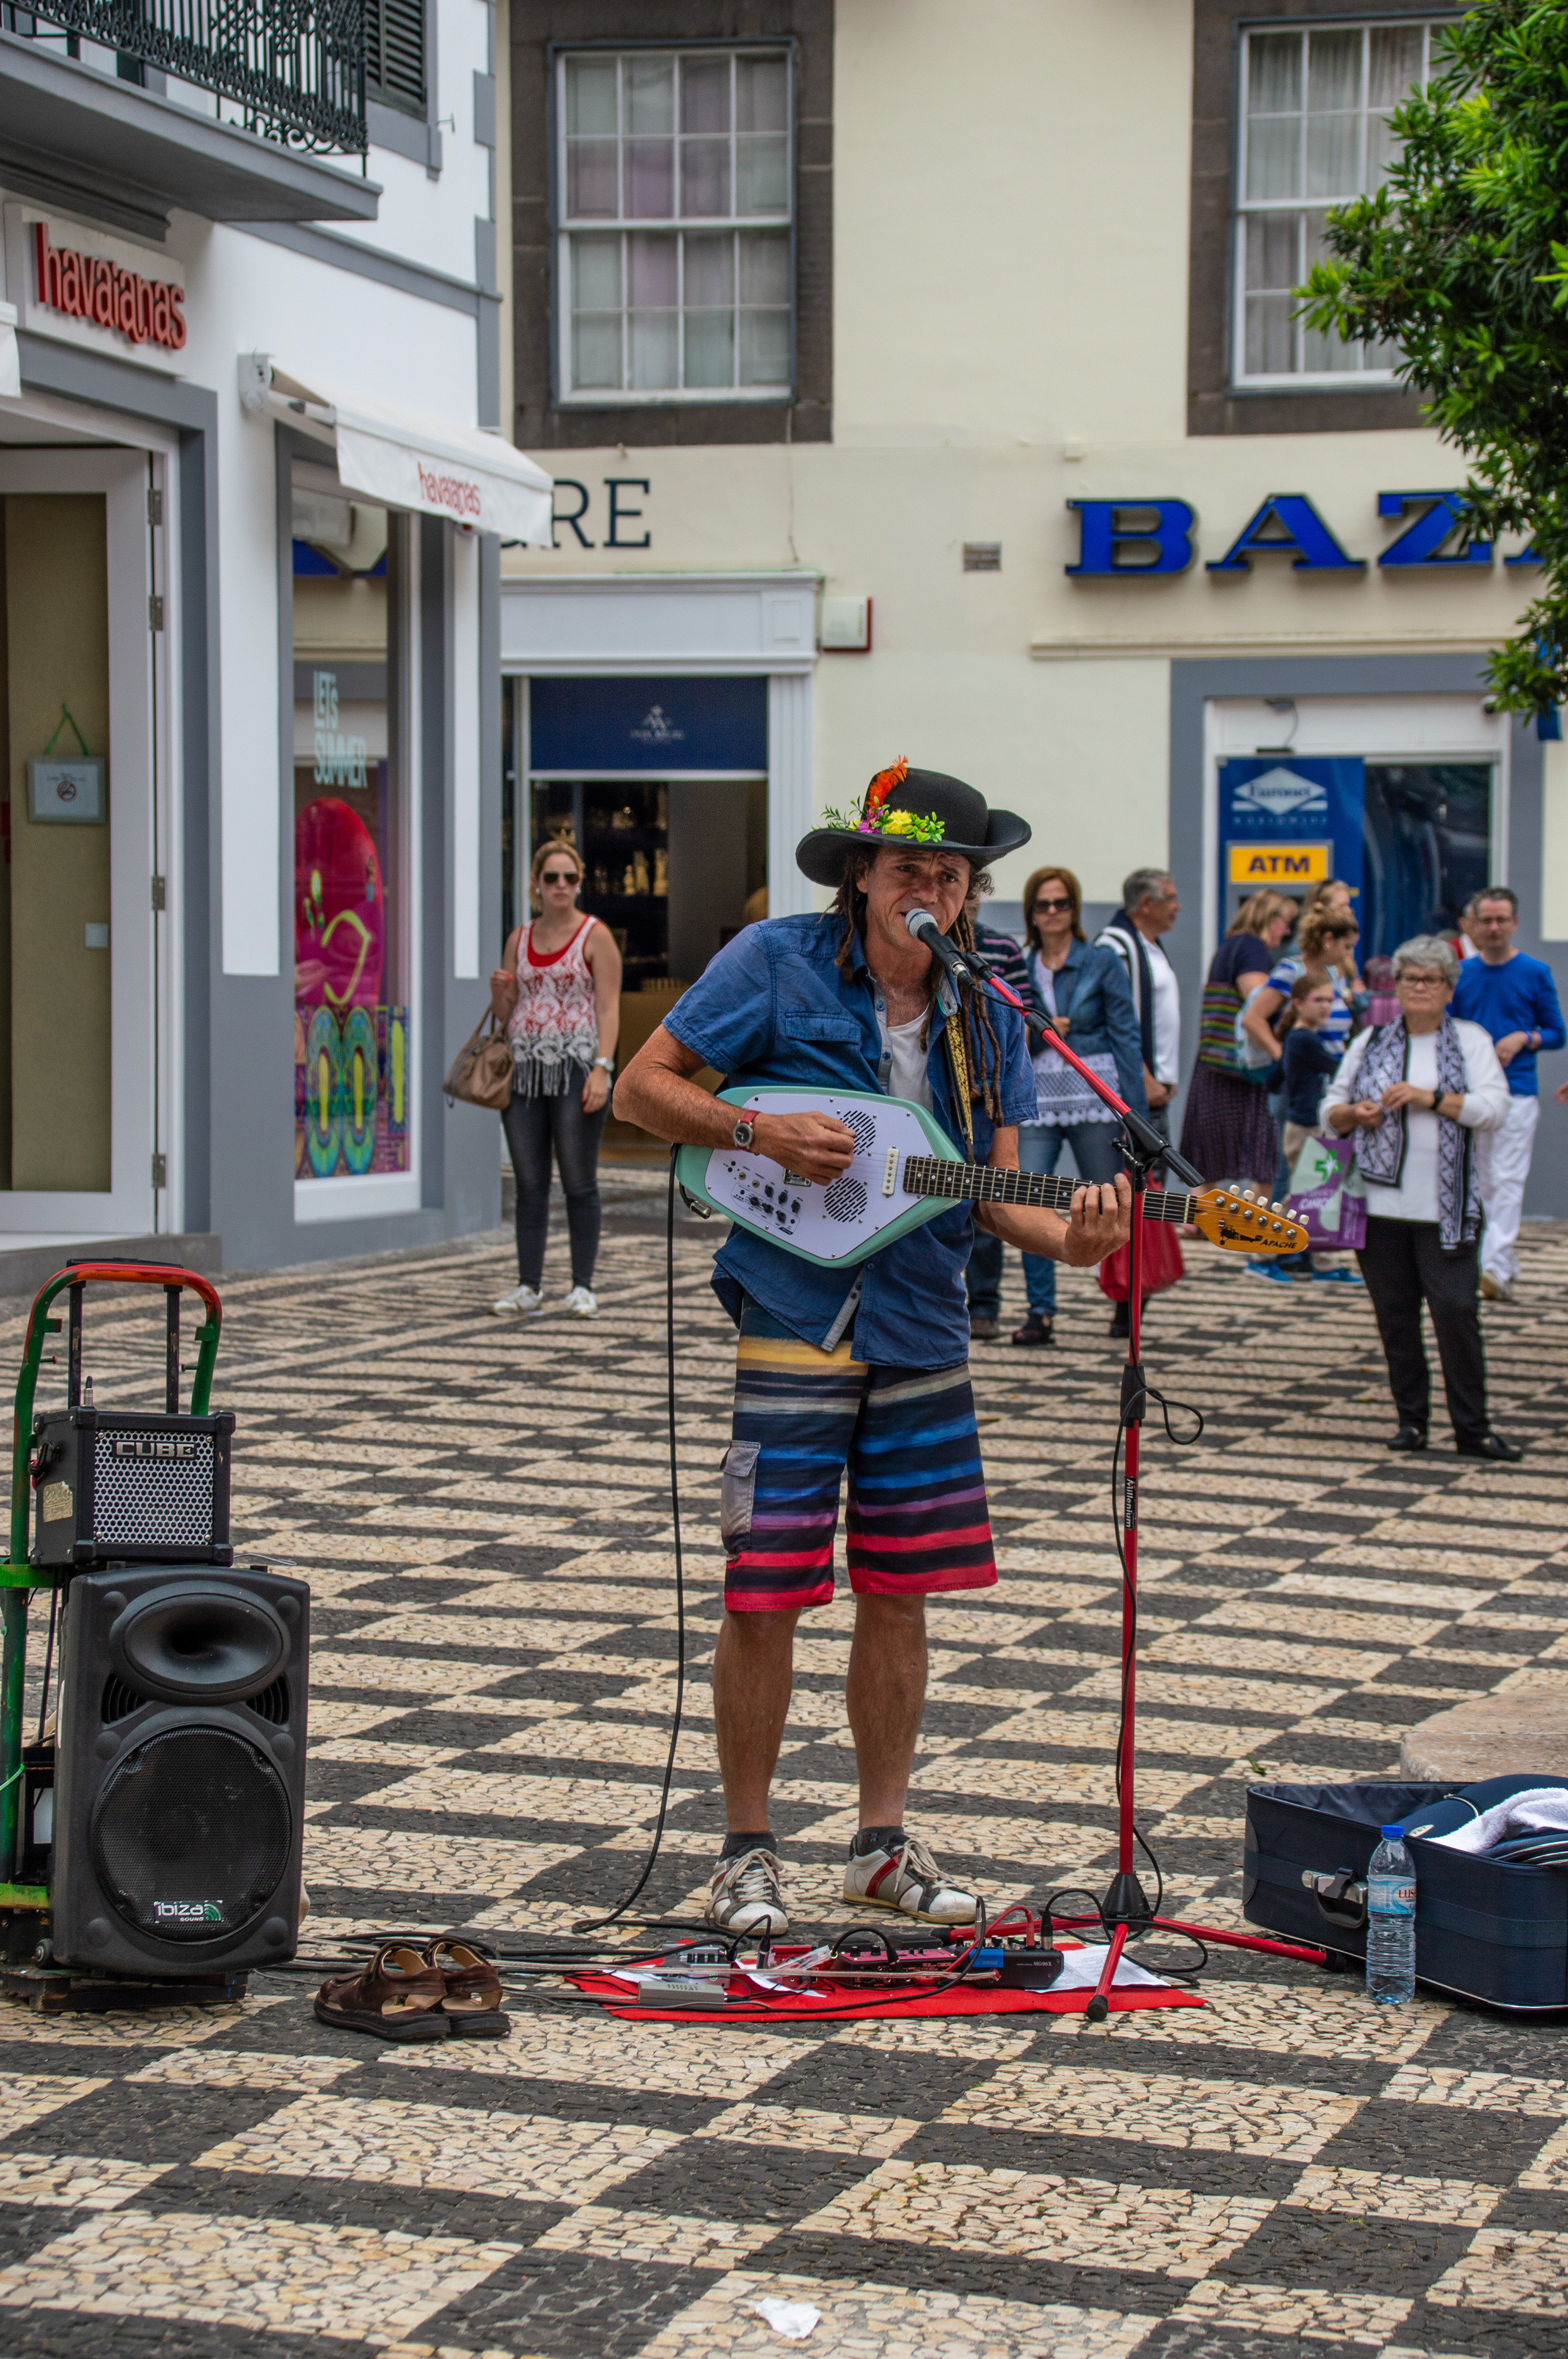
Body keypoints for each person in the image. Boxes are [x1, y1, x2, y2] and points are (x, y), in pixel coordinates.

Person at [614, 763, 1131, 1935]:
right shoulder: (775, 961)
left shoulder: (990, 1005)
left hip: (923, 1320)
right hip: (795, 1313)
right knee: (767, 1589)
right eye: (908, 869)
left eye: (951, 876)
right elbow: (640, 1091)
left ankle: (880, 1845)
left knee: (902, 1591)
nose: (930, 891)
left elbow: (1004, 1197)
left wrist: (1093, 1240)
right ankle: (747, 1850)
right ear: (862, 876)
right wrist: (756, 1128)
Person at [1323, 935, 1516, 1461]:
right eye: (1411, 978)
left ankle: (1472, 1429)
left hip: (1447, 1210)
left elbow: (1495, 1109)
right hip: (1380, 1210)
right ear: (1398, 985)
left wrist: (1431, 1098)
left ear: (1449, 988)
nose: (1420, 988)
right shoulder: (1370, 1041)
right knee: (1396, 1317)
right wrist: (1355, 1114)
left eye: (1431, 979)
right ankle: (1412, 1423)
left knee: (1456, 1313)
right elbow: (1330, 1111)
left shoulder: (1472, 1040)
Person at [1010, 865, 1147, 1348]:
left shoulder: (1101, 961)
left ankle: (1125, 1300)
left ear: (1075, 909)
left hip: (1094, 1092)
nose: (1052, 913)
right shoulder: (1017, 963)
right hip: (1036, 1098)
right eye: (1043, 905)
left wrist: (1136, 1114)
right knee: (1029, 1195)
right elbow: (1008, 1037)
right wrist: (1042, 1030)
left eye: (1062, 904)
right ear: (1031, 912)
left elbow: (1126, 1035)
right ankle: (1040, 1312)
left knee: (1115, 1199)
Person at [489, 840, 621, 1318]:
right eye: (551, 878)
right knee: (529, 1182)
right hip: (524, 1072)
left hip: (575, 1068)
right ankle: (529, 1285)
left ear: (580, 883)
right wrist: (500, 993)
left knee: (579, 1180)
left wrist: (603, 1068)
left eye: (569, 878)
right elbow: (506, 1015)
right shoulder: (519, 938)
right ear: (536, 885)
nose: (561, 886)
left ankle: (583, 1285)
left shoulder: (595, 935)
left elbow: (609, 1007)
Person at [1450, 886, 1566, 1303]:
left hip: (1518, 1091)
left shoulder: (1534, 973)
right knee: (1482, 1181)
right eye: (1487, 920)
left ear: (1515, 923)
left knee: (1508, 1178)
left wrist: (1525, 1037)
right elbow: (1450, 1029)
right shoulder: (1462, 973)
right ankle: (1503, 1260)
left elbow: (1557, 1032)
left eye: (1502, 920)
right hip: (1474, 1094)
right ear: (1474, 925)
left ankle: (1495, 1266)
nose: (1495, 928)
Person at [1179, 889, 1296, 1191]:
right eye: (1285, 922)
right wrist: (1281, 1050)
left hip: (1214, 1060)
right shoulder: (1253, 950)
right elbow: (1256, 1007)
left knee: (1209, 1147)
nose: (1287, 931)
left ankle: (1202, 1216)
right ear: (1270, 919)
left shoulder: (1232, 946)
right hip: (1240, 1068)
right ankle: (1254, 1221)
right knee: (1262, 1150)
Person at [961, 876, 1028, 1342]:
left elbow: (1021, 1011)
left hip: (985, 1099)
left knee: (988, 1203)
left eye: (963, 889)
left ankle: (984, 1304)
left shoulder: (1000, 948)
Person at [1097, 867, 1181, 1141]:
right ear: (1146, 904)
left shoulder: (1150, 945)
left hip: (1156, 1088)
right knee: (1142, 1182)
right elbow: (1116, 1020)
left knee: (1153, 1180)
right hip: (1137, 1089)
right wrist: (1144, 1079)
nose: (1177, 906)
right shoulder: (1115, 946)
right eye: (1170, 898)